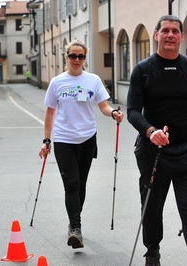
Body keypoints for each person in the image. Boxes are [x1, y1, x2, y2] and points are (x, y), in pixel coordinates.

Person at [127, 15, 187, 266]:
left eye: (175, 31)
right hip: (151, 151)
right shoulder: (143, 69)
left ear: (181, 37)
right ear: (156, 35)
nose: (170, 35)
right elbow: (133, 111)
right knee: (152, 208)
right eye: (165, 30)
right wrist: (150, 132)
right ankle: (153, 251)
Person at [38, 39, 124, 249]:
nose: (77, 60)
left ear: (85, 59)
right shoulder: (57, 82)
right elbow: (50, 112)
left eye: (81, 56)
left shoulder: (93, 80)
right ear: (66, 58)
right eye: (73, 56)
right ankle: (76, 228)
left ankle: (73, 222)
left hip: (87, 138)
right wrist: (46, 140)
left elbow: (103, 106)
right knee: (72, 185)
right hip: (64, 139)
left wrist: (113, 113)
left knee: (81, 184)